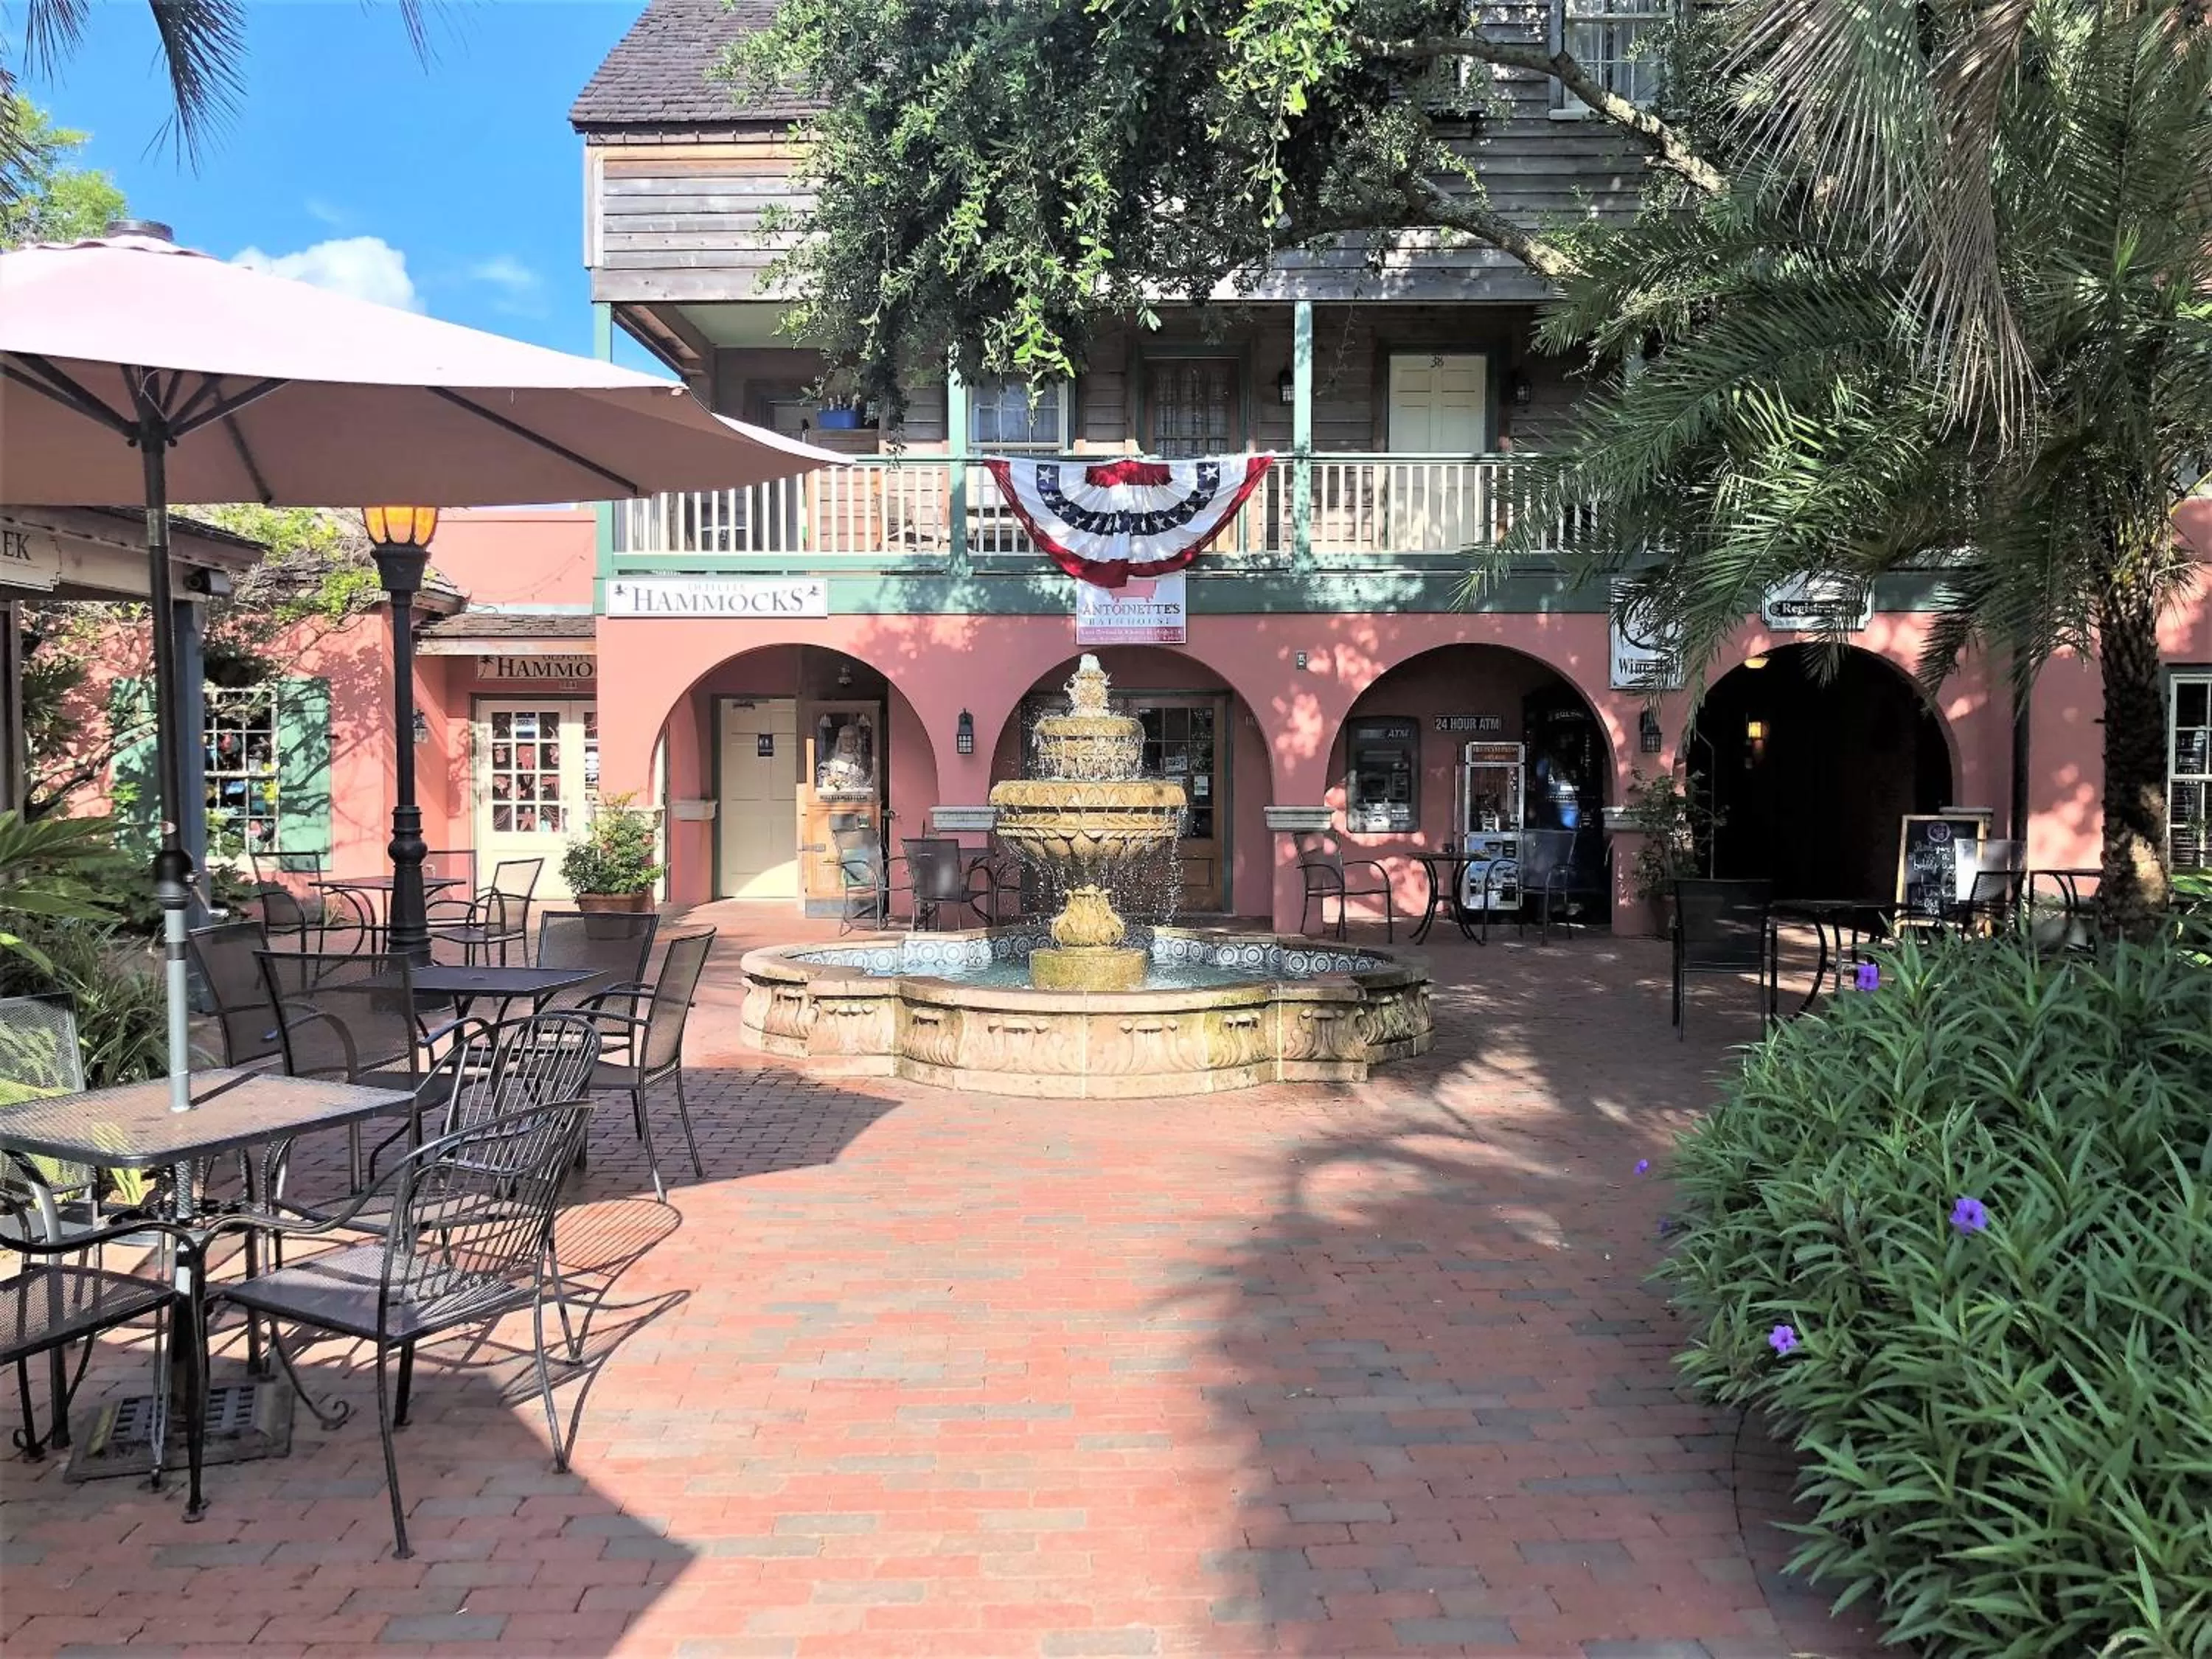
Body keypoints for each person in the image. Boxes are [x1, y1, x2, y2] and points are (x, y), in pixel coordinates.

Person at [817, 720, 874, 793]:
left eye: (852, 738)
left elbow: (869, 780)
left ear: (856, 741)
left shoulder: (864, 761)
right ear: (840, 741)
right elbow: (823, 781)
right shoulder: (829, 761)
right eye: (846, 738)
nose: (849, 741)